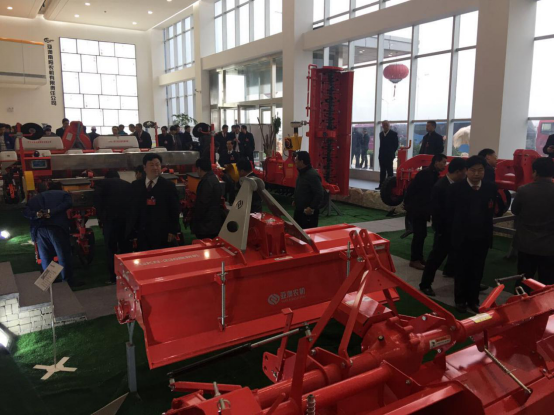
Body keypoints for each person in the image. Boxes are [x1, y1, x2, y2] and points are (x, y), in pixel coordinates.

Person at [447, 156, 497, 313]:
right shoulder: (456, 189)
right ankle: (460, 300)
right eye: (473, 170)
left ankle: (473, 300)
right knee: (461, 270)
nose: (477, 174)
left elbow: (491, 211)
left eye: (480, 170)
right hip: (462, 237)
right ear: (466, 171)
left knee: (477, 270)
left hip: (482, 237)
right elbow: (448, 213)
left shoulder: (490, 187)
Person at [419, 158, 467, 296]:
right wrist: (440, 230)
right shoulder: (440, 187)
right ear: (458, 172)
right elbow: (436, 212)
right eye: (465, 172)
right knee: (436, 258)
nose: (466, 175)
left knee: (460, 257)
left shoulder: (460, 185)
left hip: (457, 228)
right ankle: (425, 284)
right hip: (444, 229)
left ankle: (459, 277)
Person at [23, 182, 76, 286]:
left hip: (40, 229)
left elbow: (26, 212)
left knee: (46, 257)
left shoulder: (35, 198)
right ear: (60, 188)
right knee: (63, 255)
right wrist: (52, 211)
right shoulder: (63, 194)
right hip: (57, 227)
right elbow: (69, 203)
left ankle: (49, 283)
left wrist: (37, 214)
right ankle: (67, 283)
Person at [512, 157, 554, 286]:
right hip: (550, 246)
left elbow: (515, 210)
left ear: (535, 172)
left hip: (526, 244)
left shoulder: (524, 190)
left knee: (524, 280)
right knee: (547, 283)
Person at [127, 153, 181, 251]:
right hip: (142, 232)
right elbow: (132, 209)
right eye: (152, 165)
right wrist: (133, 231)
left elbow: (174, 209)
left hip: (162, 233)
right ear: (144, 168)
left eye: (157, 165)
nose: (155, 168)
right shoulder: (136, 186)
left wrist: (173, 230)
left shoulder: (168, 186)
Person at [404, 153, 447, 270]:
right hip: (418, 208)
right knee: (419, 234)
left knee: (422, 234)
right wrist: (409, 205)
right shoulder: (425, 174)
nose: (445, 165)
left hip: (422, 208)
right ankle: (414, 260)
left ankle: (419, 257)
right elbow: (413, 190)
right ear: (436, 162)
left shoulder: (432, 174)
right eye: (443, 162)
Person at [94, 170, 133, 284]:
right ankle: (128, 275)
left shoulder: (101, 184)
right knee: (126, 248)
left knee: (111, 249)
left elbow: (97, 202)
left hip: (110, 221)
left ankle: (113, 277)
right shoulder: (127, 184)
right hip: (125, 221)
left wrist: (101, 218)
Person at [191, 158, 224, 239]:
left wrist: (195, 219)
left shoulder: (206, 181)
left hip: (206, 225)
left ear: (199, 168)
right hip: (214, 222)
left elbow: (202, 203)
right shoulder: (214, 178)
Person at [293, 151, 324, 229]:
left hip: (308, 214)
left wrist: (311, 207)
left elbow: (319, 193)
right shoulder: (301, 173)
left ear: (301, 161)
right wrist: (296, 200)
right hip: (299, 210)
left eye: (296, 159)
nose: (295, 161)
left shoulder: (312, 175)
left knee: (307, 234)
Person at [377, 120, 399, 190]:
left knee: (390, 171)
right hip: (382, 155)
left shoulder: (393, 134)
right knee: (382, 171)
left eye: (386, 125)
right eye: (384, 125)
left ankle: (390, 186)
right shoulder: (381, 134)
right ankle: (381, 185)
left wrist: (391, 152)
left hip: (389, 156)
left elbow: (396, 145)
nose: (385, 126)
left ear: (389, 125)